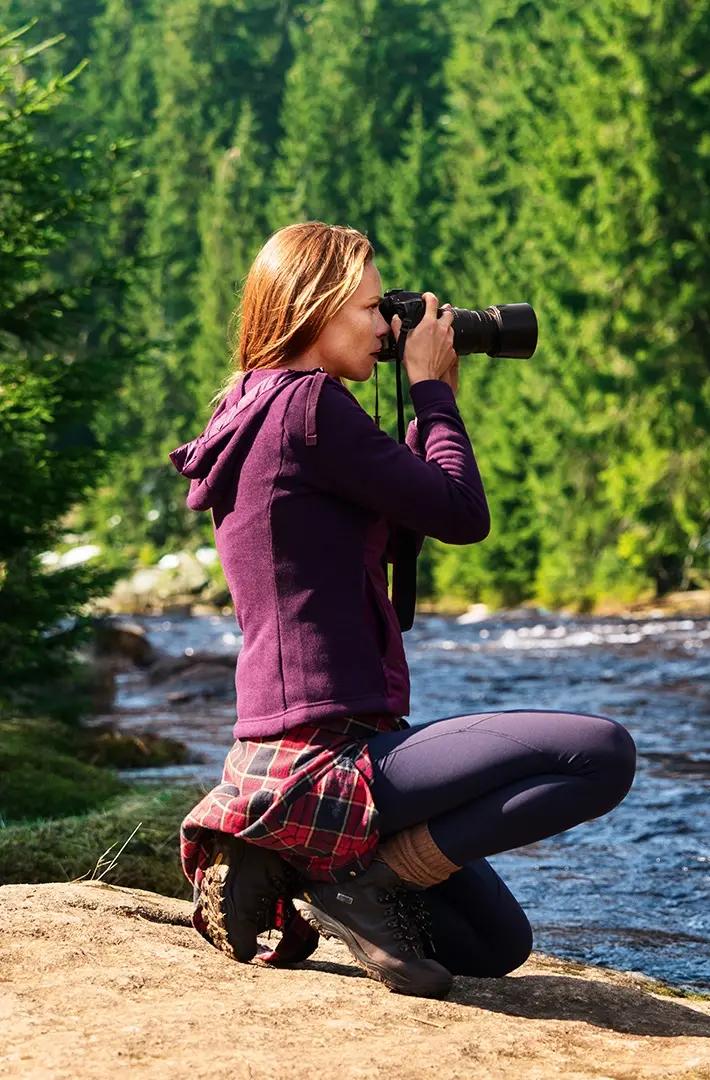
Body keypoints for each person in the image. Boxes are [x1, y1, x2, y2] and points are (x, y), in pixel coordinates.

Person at [171, 222, 636, 998]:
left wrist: (430, 402)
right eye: (368, 309)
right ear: (312, 310)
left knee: (493, 944)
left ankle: (295, 861)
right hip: (326, 754)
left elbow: (412, 508)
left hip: (290, 747)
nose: (388, 327)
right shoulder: (311, 406)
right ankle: (359, 880)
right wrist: (430, 392)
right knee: (600, 754)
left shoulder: (259, 410)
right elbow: (460, 512)